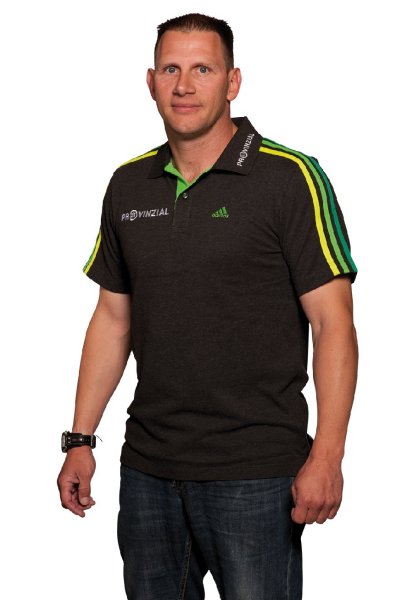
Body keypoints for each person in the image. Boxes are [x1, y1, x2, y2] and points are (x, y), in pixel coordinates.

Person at [57, 12, 358, 600]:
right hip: (148, 471)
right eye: (171, 69)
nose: (184, 85)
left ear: (233, 81)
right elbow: (113, 320)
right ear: (151, 82)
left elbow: (333, 323)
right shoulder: (128, 185)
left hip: (256, 472)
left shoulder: (290, 178)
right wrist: (80, 439)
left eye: (203, 69)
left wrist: (327, 456)